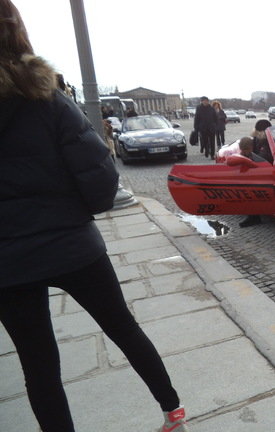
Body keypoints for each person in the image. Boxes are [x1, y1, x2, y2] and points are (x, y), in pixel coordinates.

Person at [0, 2, 191, 431]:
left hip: (6, 261)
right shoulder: (45, 98)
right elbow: (101, 180)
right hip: (70, 244)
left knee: (38, 366)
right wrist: (70, 214)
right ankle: (172, 410)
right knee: (123, 327)